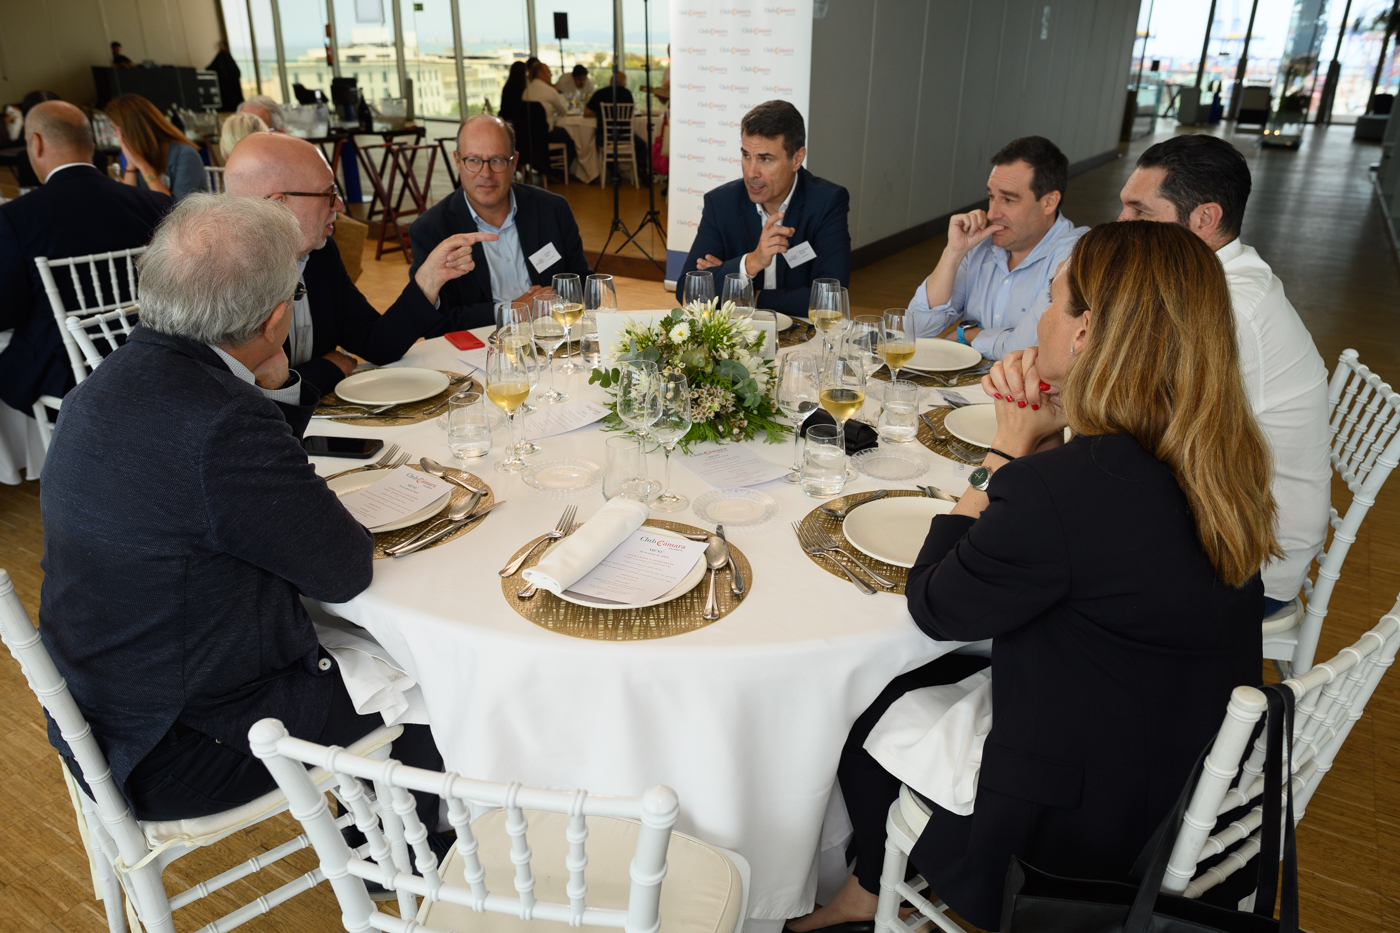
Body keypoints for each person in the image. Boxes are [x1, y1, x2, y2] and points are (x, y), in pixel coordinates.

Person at [792, 222, 1273, 933]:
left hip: (1068, 840)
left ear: (1084, 335)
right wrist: (1052, 438)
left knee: (868, 695)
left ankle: (866, 890)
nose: (1038, 320)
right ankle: (866, 891)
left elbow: (935, 603)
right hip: (1179, 775)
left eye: (1054, 300)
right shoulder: (1215, 456)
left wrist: (1007, 452)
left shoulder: (1067, 487)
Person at [37, 193, 447, 831]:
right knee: (429, 680)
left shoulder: (105, 383)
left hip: (99, 714)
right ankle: (398, 860)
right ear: (277, 318)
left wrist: (270, 384)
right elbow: (344, 570)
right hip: (181, 746)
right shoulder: (220, 420)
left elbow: (221, 503)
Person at [1118, 133, 1331, 617]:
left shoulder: (1233, 307)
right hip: (1222, 518)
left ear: (1205, 219)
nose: (1122, 224)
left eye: (1140, 212)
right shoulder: (1205, 280)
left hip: (1250, 562)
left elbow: (1150, 432)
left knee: (1060, 556)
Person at [223, 132, 488, 394]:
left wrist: (430, 277)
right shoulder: (218, 280)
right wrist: (329, 368)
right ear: (280, 206)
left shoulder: (320, 256)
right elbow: (242, 397)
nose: (338, 204)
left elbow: (377, 344)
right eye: (328, 193)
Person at [0, 101, 168, 421]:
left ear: (35, 142)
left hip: (68, 376)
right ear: (90, 143)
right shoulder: (154, 203)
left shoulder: (15, 218)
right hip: (157, 357)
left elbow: (6, 310)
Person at [906, 136, 1087, 358]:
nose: (992, 213)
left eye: (1008, 200)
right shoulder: (980, 244)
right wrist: (953, 253)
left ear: (1049, 202)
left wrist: (967, 335)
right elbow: (915, 331)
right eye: (992, 196)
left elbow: (1024, 350)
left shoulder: (1075, 254)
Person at [410, 114, 591, 330]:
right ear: (458, 161)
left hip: (553, 337)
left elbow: (582, 284)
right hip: (480, 351)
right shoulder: (431, 230)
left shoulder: (552, 209)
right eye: (474, 160)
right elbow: (436, 323)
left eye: (497, 160)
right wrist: (512, 311)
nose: (485, 174)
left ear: (513, 162)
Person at [677, 100, 850, 318]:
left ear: (797, 158)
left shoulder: (827, 202)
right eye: (746, 155)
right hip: (737, 336)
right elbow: (688, 289)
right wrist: (751, 263)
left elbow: (829, 299)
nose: (751, 172)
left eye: (765, 159)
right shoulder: (721, 203)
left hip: (806, 334)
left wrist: (749, 295)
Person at [105, 93, 208, 201]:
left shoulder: (185, 155)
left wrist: (144, 166)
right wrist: (131, 166)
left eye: (115, 129)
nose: (115, 135)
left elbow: (175, 210)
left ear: (132, 131)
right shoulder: (141, 155)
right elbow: (128, 202)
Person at [583, 72, 649, 182]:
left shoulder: (600, 93)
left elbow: (586, 113)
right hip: (624, 136)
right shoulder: (627, 94)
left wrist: (601, 113)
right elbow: (631, 114)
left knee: (605, 145)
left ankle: (615, 174)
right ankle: (642, 169)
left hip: (605, 137)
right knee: (642, 145)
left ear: (611, 81)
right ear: (624, 83)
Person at [521, 62, 576, 167]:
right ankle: (559, 172)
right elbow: (564, 111)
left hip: (528, 135)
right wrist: (558, 91)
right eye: (548, 72)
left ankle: (550, 169)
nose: (550, 75)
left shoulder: (526, 90)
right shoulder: (549, 90)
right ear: (540, 74)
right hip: (545, 134)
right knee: (575, 138)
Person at [207, 41, 245, 111]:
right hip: (233, 93)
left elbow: (210, 69)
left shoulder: (221, 58)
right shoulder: (228, 59)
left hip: (224, 93)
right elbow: (237, 72)